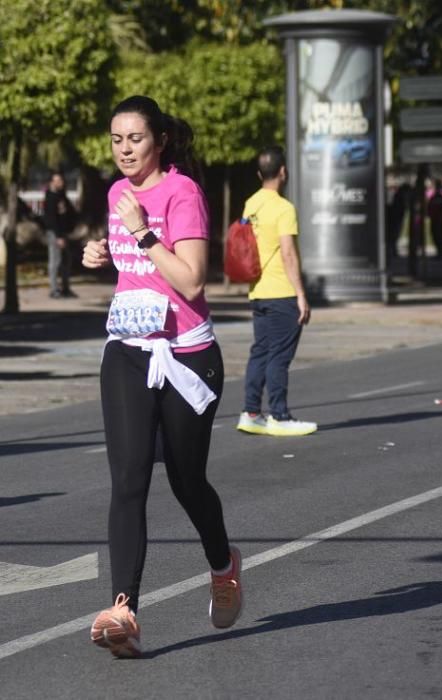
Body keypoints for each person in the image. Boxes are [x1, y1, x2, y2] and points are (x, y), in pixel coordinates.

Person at [81, 95, 242, 658]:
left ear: (160, 141)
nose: (125, 150)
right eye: (116, 139)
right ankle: (123, 609)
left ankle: (223, 565)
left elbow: (192, 281)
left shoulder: (183, 193)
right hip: (127, 349)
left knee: (186, 480)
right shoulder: (115, 194)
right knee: (128, 481)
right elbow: (138, 276)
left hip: (187, 357)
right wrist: (104, 252)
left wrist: (144, 233)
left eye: (135, 139)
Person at [235, 146, 317, 437]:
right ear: (283, 171)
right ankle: (279, 415)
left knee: (261, 351)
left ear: (260, 174)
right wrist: (301, 294)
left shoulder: (251, 204)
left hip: (257, 290)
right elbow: (288, 253)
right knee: (279, 355)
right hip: (281, 290)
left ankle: (251, 412)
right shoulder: (284, 208)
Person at [43, 171, 77, 298]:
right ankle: (54, 289)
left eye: (61, 180)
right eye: (56, 181)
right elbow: (51, 219)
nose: (60, 183)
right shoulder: (50, 198)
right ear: (51, 182)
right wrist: (58, 236)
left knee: (66, 260)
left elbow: (70, 213)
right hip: (55, 234)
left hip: (64, 232)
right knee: (55, 261)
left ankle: (66, 287)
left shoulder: (62, 196)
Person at [427, 179, 442, 260]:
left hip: (439, 220)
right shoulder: (434, 197)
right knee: (435, 235)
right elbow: (429, 207)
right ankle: (439, 252)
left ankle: (441, 253)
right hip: (434, 219)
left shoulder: (441, 197)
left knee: (440, 236)